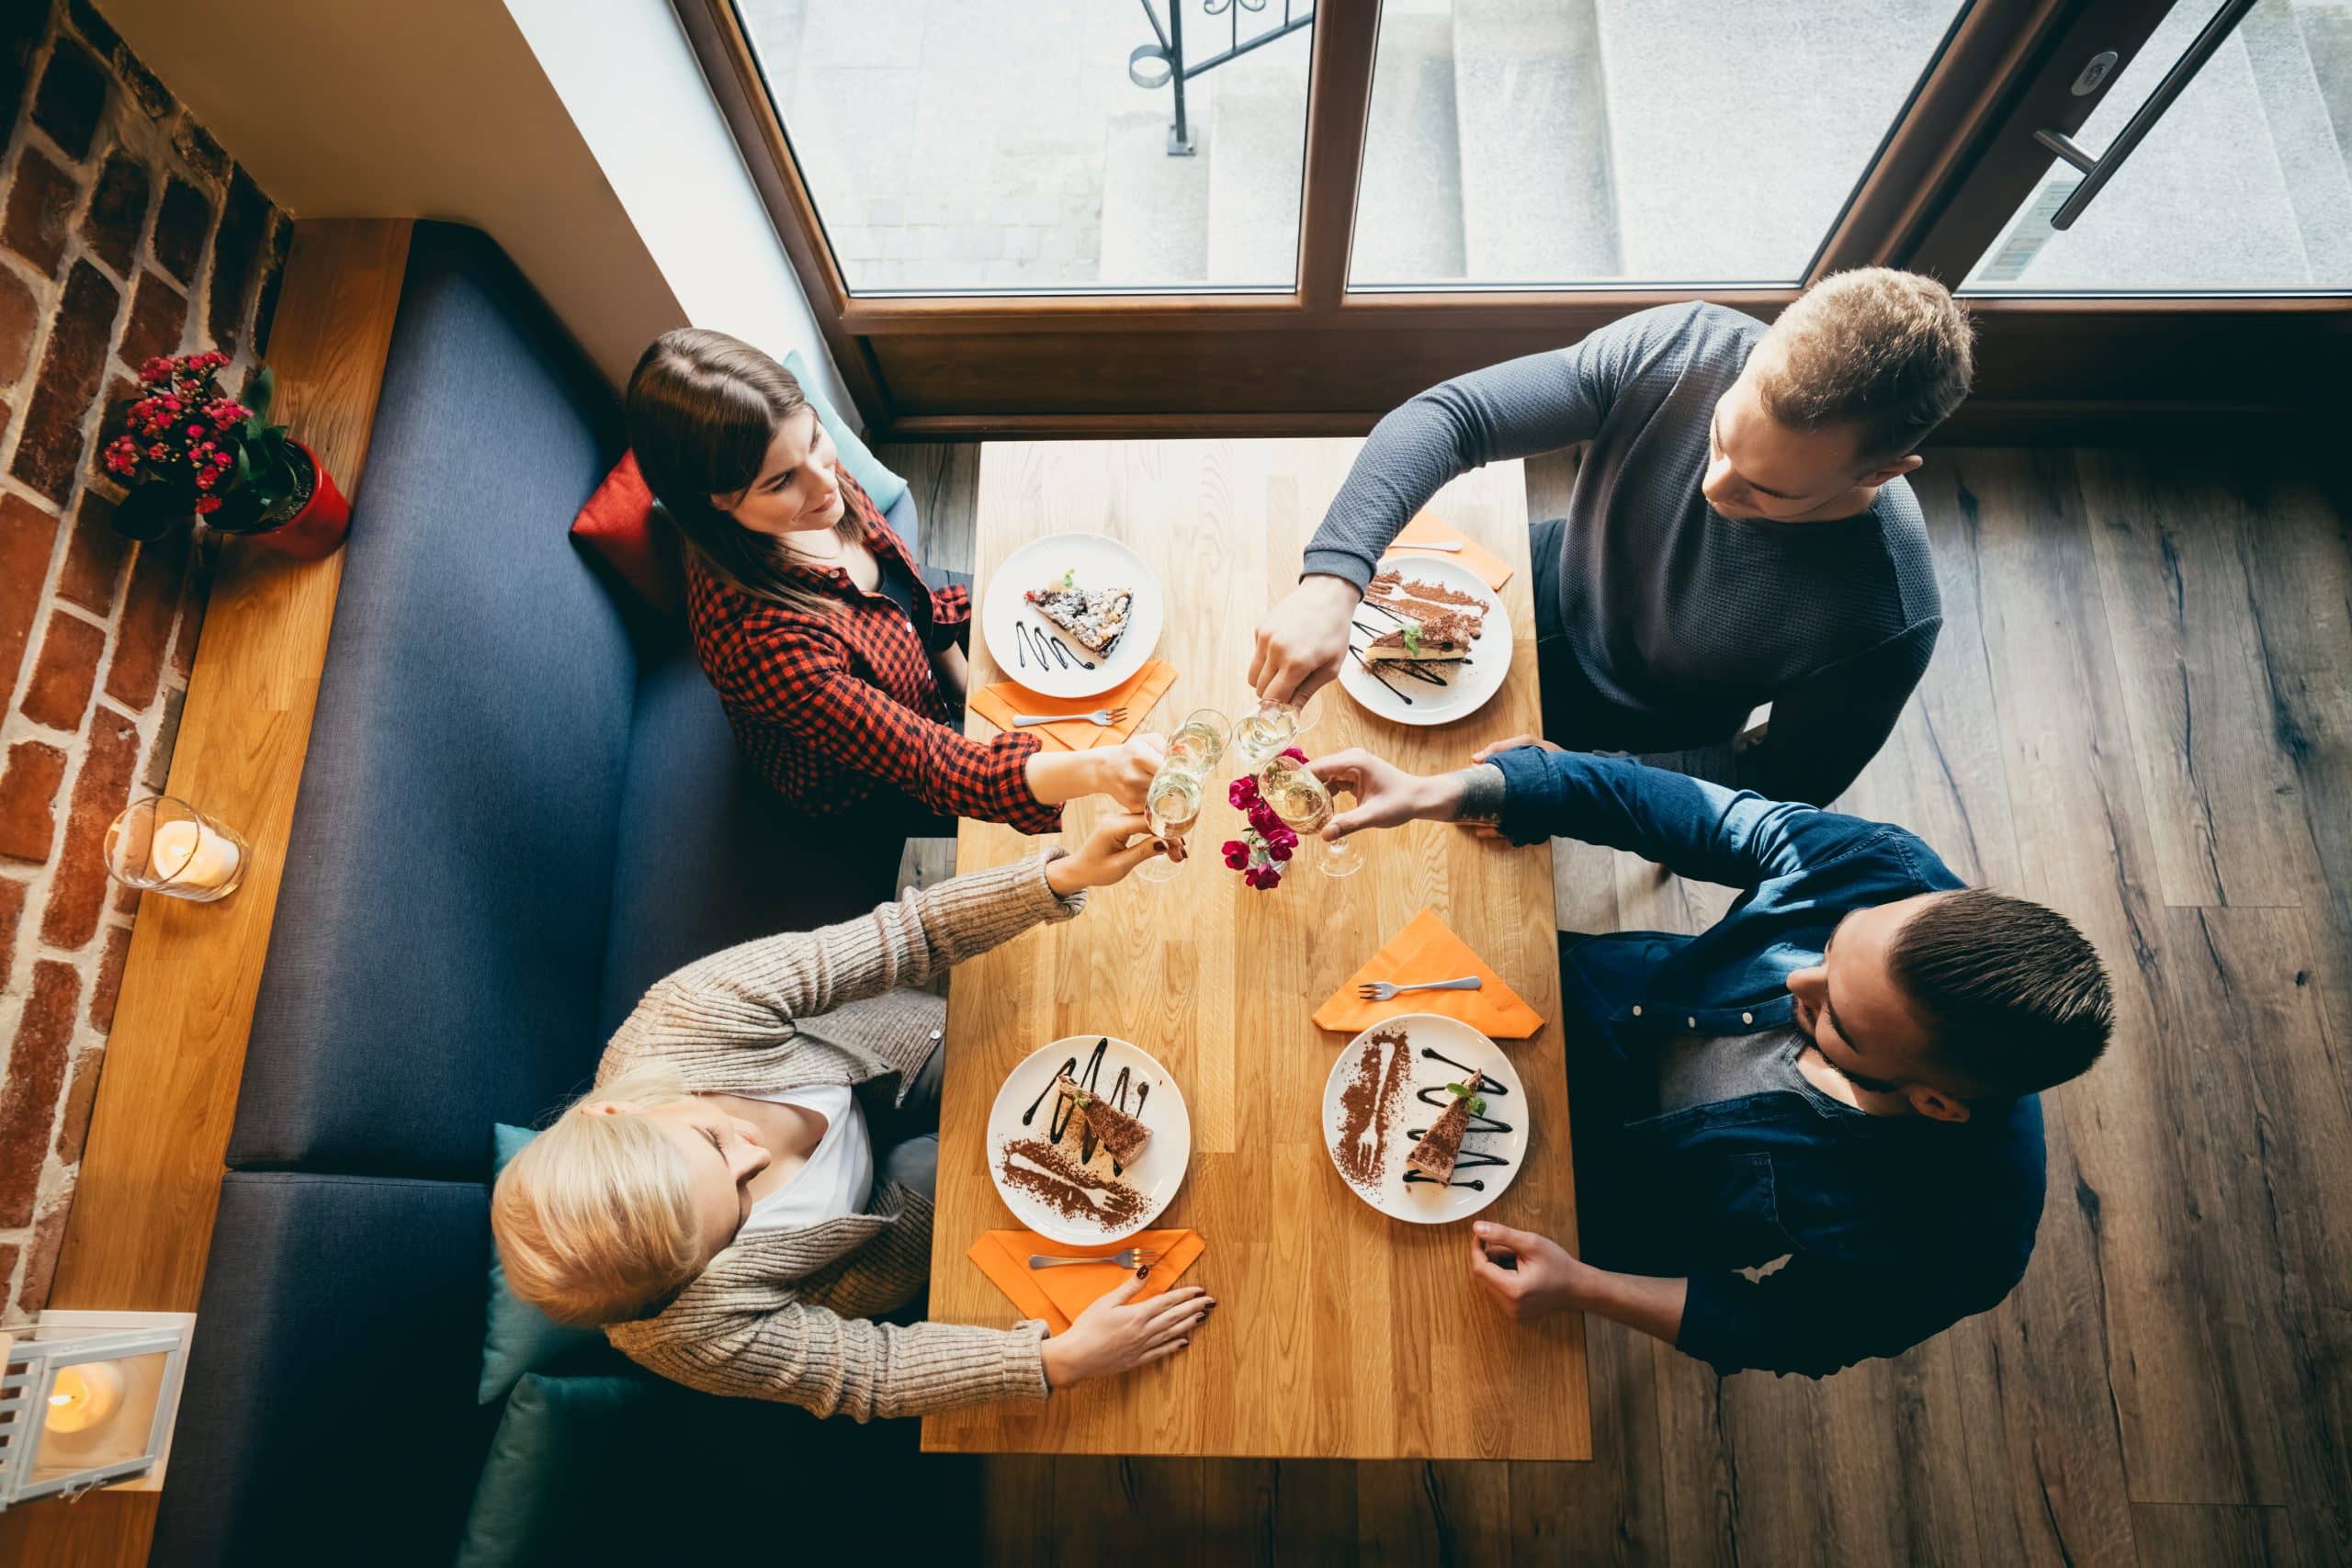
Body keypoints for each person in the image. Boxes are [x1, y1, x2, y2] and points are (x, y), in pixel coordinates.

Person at [1306, 739, 2113, 1378]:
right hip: (1588, 999)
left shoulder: (1966, 1236)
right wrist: (1441, 791)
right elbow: (1684, 814)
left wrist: (1583, 1288)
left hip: (1607, 1203)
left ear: (1935, 1103)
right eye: (1831, 947)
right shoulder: (1886, 870)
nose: (1800, 978)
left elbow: (1789, 1331)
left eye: (1837, 1016)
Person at [490, 816, 1215, 1419]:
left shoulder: (687, 1016)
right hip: (879, 1231)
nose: (754, 1157)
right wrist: (1056, 1361)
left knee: (1092, 1102)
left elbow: (907, 937)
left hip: (895, 1055)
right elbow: (872, 1370)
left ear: (621, 1109)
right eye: (738, 1211)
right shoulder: (680, 1331)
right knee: (1007, 1188)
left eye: (712, 1139)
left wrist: (1058, 876)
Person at [1252, 269, 1974, 807]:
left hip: (1633, 737)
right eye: (1721, 438)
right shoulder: (1687, 344)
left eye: (1767, 492)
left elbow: (1779, 784)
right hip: (1540, 584)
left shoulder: (1887, 620)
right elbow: (1455, 418)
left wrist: (1579, 775)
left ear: (1884, 470)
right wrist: (1332, 580)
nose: (1714, 489)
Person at [628, 329, 1162, 835]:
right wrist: (1100, 771)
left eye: (816, 438)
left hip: (916, 672)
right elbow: (933, 766)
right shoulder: (761, 645)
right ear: (716, 502)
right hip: (864, 782)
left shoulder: (810, 479)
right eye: (781, 481)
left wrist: (955, 666)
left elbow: (904, 592)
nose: (824, 482)